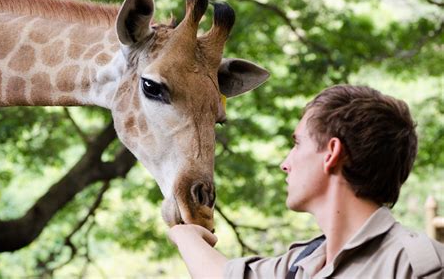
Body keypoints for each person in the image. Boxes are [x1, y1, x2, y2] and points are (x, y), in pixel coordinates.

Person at [167, 84, 444, 278]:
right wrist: (185, 235)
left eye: (297, 144)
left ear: (332, 153)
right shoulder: (302, 265)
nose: (284, 164)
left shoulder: (420, 267)